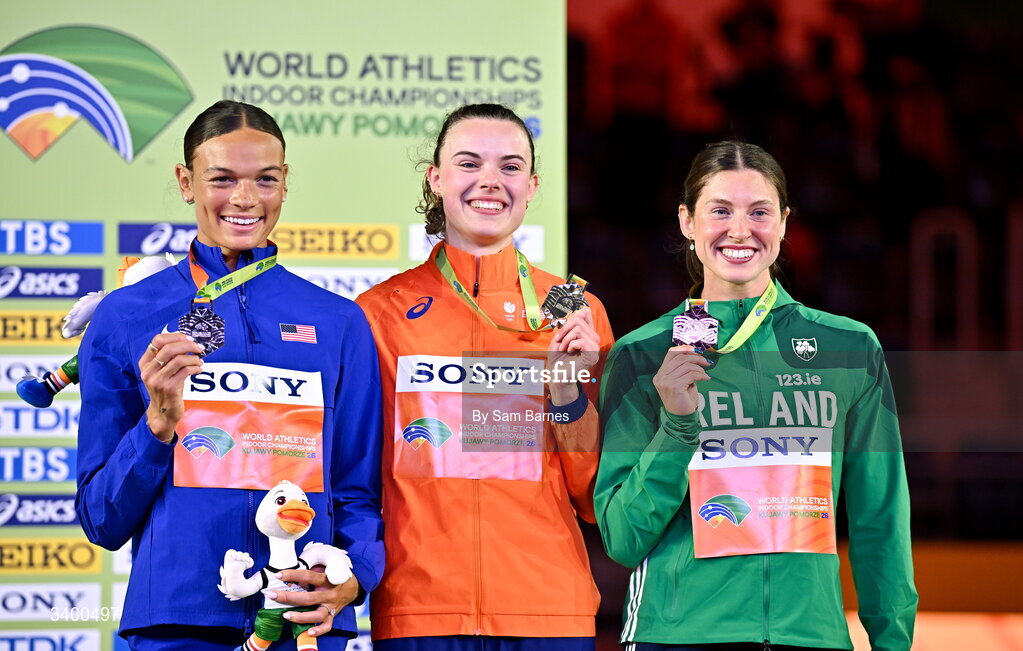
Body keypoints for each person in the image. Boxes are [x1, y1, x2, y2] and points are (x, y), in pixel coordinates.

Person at [75, 100, 384, 651]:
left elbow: (357, 491)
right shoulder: (126, 315)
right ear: (186, 182)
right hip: (175, 624)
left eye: (265, 179)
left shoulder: (338, 322)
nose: (245, 199)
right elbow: (102, 520)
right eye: (222, 179)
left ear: (285, 182)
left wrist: (354, 577)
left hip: (304, 624)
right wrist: (157, 426)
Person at [595, 141, 917, 650]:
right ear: (687, 221)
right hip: (678, 638)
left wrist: (893, 642)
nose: (740, 231)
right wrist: (678, 429)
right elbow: (622, 536)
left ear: (785, 223)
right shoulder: (643, 355)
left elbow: (880, 516)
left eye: (759, 212)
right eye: (720, 210)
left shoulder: (850, 349)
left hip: (809, 637)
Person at [356, 103, 614, 651]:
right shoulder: (379, 311)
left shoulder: (573, 309)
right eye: (469, 163)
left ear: (533, 184)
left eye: (510, 166)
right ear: (437, 177)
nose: (490, 181)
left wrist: (568, 391)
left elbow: (596, 496)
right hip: (419, 609)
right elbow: (357, 479)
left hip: (548, 609)